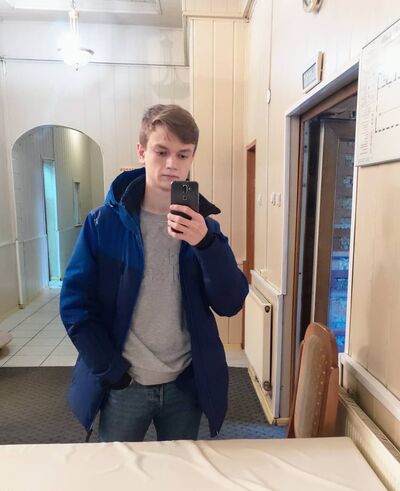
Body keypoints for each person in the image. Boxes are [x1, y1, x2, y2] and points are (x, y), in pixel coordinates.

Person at [60, 104, 249, 442]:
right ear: (141, 151)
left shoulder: (205, 230)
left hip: (184, 384)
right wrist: (111, 370)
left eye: (183, 154)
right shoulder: (103, 224)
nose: (172, 164)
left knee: (178, 469)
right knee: (118, 467)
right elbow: (75, 305)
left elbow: (230, 302)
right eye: (161, 152)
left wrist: (207, 245)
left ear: (192, 158)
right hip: (124, 384)